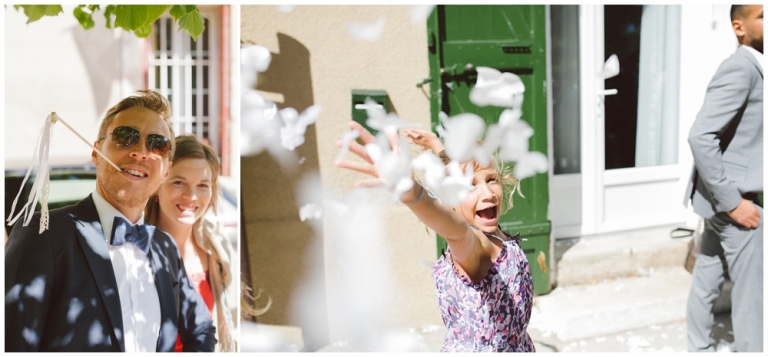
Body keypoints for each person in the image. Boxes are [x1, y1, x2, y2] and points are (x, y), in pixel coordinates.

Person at [5, 90, 216, 352]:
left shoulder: (165, 248)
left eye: (157, 144)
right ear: (96, 152)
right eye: (125, 137)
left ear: (166, 170)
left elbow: (202, 329)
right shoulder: (44, 233)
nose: (140, 152)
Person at [336, 121, 534, 352]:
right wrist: (412, 192)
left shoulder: (493, 232)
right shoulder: (476, 245)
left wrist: (435, 145)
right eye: (470, 186)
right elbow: (456, 230)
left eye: (491, 179)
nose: (488, 193)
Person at [684, 4, 763, 352]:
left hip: (716, 200)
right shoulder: (741, 68)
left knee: (707, 280)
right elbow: (700, 136)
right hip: (736, 203)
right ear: (738, 26)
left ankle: (698, 348)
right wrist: (733, 203)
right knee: (753, 295)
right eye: (762, 15)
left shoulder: (755, 67)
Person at [145, 135, 237, 352]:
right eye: (179, 182)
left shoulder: (217, 248)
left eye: (203, 185)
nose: (191, 196)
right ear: (157, 186)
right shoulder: (134, 248)